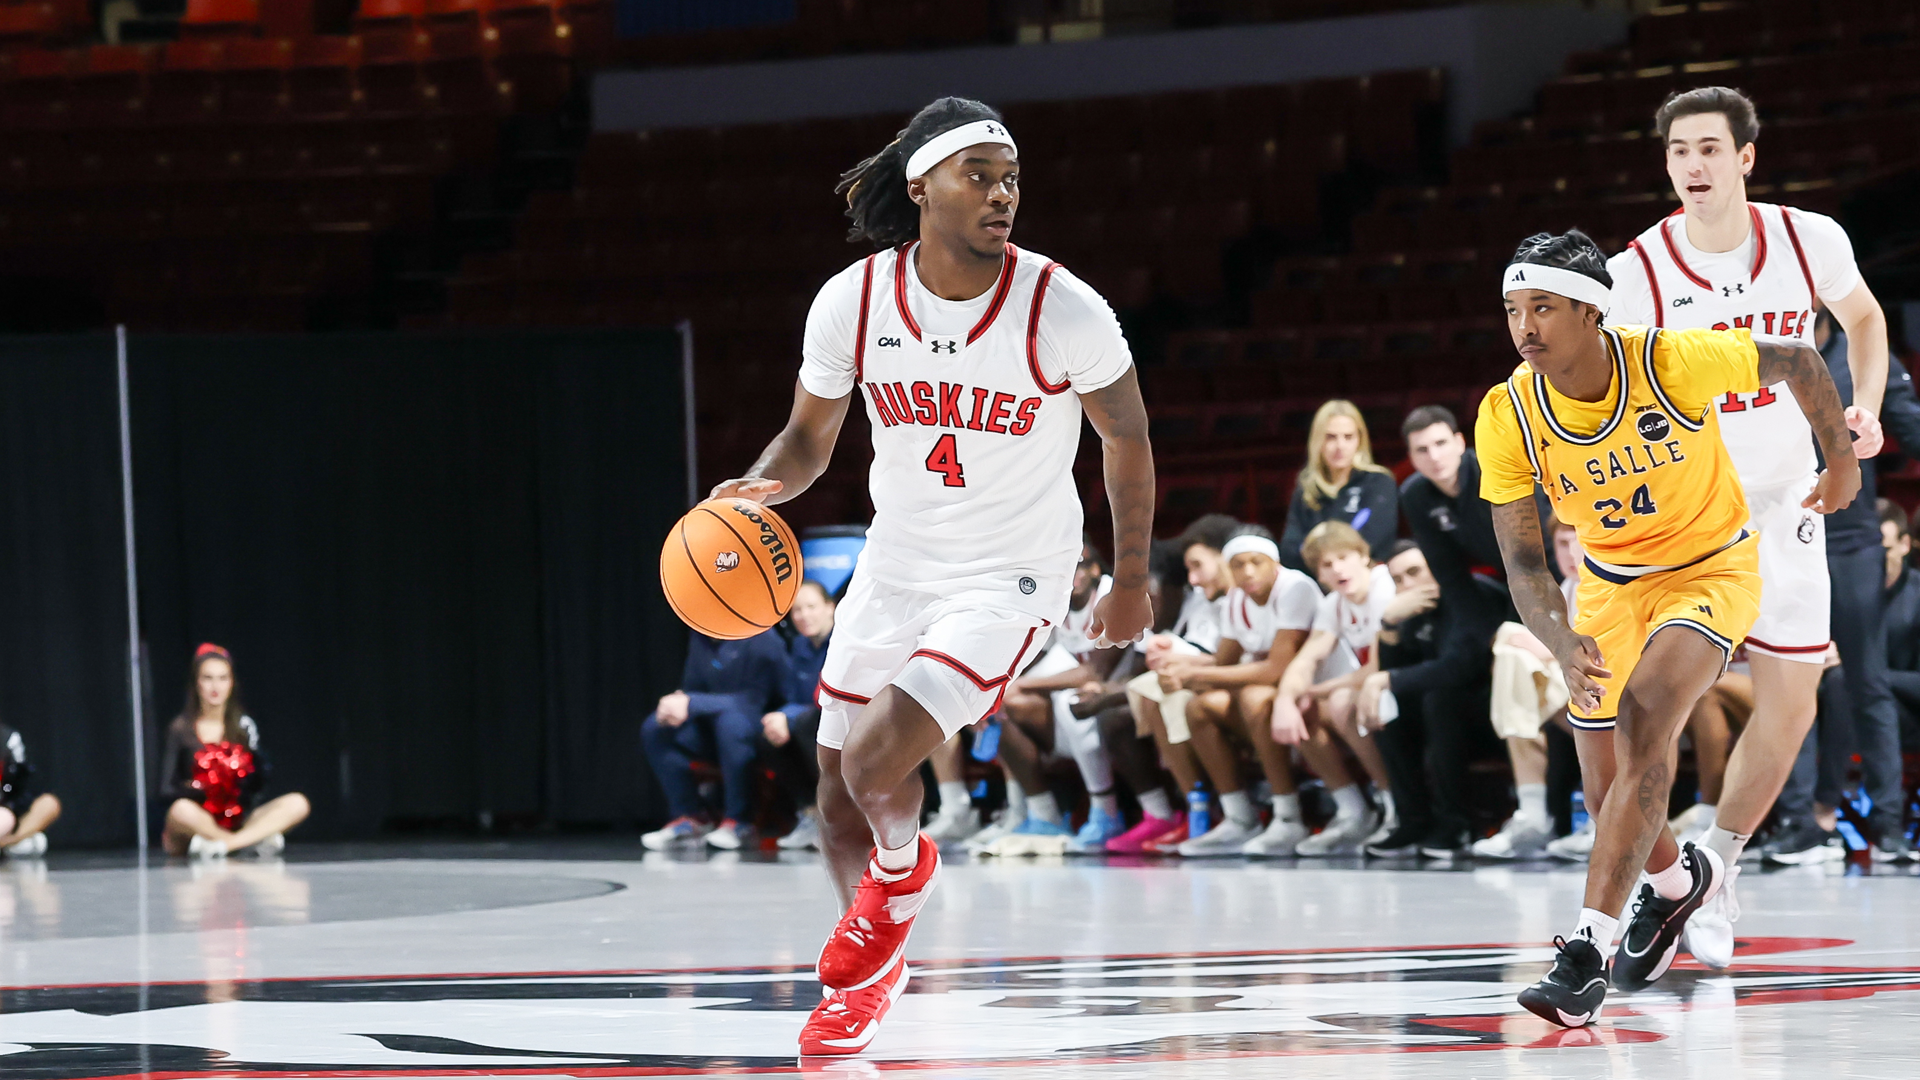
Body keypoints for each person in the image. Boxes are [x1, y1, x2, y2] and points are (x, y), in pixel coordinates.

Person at [707, 97, 1155, 1057]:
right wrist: (762, 488)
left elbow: (1127, 438)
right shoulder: (856, 299)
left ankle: (901, 878)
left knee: (874, 759)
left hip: (1011, 576)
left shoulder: (1060, 304)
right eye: (980, 177)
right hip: (899, 562)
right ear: (922, 187)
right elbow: (809, 437)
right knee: (832, 799)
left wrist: (1127, 578)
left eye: (1012, 180)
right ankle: (870, 977)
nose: (1003, 196)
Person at [1479, 229, 1856, 1026]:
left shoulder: (1667, 360)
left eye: (1543, 306)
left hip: (1711, 567)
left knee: (1646, 714)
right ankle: (1684, 885)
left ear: (1591, 312)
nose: (1525, 327)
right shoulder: (1508, 410)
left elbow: (1797, 360)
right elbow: (1523, 563)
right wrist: (1556, 635)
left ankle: (1584, 957)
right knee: (1604, 786)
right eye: (1514, 309)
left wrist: (1842, 461)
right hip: (1609, 588)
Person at [1604, 86, 1889, 960]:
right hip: (1687, 517)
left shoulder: (1810, 239)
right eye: (1678, 152)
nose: (1692, 165)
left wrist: (1865, 408)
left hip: (1786, 498)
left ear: (1745, 156)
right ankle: (1664, 884)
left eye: (1708, 149)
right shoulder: (1638, 271)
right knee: (1658, 709)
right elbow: (1616, 391)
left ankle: (1717, 870)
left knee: (1794, 702)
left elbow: (1866, 318)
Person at [1762, 309, 1920, 864]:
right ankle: (1800, 823)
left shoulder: (1863, 361)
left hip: (1851, 541)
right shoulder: (1762, 360)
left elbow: (1910, 424)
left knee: (1868, 682)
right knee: (1789, 683)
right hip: (1784, 535)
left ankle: (1891, 828)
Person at [1397, 403, 1566, 859]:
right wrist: (1497, 633)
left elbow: (1544, 554)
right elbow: (1451, 579)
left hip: (1554, 583)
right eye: (1421, 450)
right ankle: (1507, 816)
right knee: (1479, 672)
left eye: (1440, 443)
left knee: (1521, 666)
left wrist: (1547, 629)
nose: (1433, 456)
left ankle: (1551, 814)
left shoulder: (1497, 472)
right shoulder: (1416, 496)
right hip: (1496, 599)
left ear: (1459, 442)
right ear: (1411, 457)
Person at [1165, 528, 1325, 856]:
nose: (1247, 572)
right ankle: (1239, 818)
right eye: (1238, 564)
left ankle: (1288, 817)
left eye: (1256, 562)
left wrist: (1195, 672)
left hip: (1313, 689)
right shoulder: (1237, 597)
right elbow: (1226, 660)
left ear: (1275, 564)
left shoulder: (1294, 588)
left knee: (1252, 696)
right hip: (1272, 696)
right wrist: (1182, 671)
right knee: (1199, 706)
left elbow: (1276, 669)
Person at [1777, 498, 1920, 864]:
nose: (1875, 563)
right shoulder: (1835, 589)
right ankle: (1804, 818)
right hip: (1839, 708)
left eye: (1884, 549)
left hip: (1907, 712)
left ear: (1905, 545)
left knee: (1850, 683)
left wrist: (1870, 674)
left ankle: (1828, 809)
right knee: (1827, 684)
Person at [1358, 540, 1502, 859]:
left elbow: (1461, 667)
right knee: (1392, 712)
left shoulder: (1473, 593)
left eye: (1414, 573)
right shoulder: (1418, 609)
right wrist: (1389, 625)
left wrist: (1385, 680)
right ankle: (1412, 821)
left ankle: (1457, 824)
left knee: (1440, 699)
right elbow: (1401, 672)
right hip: (1449, 714)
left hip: (1502, 711)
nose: (1408, 586)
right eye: (1398, 580)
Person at [1111, 514, 1240, 853]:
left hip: (1247, 688)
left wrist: (1187, 666)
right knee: (1152, 692)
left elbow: (1240, 662)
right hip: (1225, 680)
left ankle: (1230, 814)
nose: (1194, 579)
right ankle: (1196, 811)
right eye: (1189, 570)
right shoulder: (1215, 599)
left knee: (1183, 701)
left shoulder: (1243, 598)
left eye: (1198, 567)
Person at [1270, 522, 1397, 854]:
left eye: (1343, 557)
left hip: (1409, 680)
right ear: (1319, 575)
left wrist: (1316, 690)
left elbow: (1378, 666)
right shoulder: (1335, 604)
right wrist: (1286, 698)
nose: (1338, 568)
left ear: (1363, 556)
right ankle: (1354, 811)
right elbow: (1306, 659)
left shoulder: (1386, 587)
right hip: (1375, 687)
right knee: (1303, 708)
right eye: (1327, 564)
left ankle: (1397, 804)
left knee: (1341, 702)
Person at [641, 628, 792, 852]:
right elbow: (693, 688)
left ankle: (739, 821)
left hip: (758, 728)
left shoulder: (762, 637)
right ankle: (691, 817)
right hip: (712, 730)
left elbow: (754, 699)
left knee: (731, 724)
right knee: (656, 727)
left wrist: (692, 702)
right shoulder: (699, 638)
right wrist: (679, 702)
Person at [161, 644, 312, 859]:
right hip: (200, 820)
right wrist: (205, 787)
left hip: (238, 818)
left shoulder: (243, 726)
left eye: (223, 679)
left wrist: (243, 782)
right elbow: (166, 789)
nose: (216, 687)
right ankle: (243, 842)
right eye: (208, 678)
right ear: (197, 683)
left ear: (232, 683)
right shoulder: (181, 728)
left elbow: (257, 785)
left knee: (298, 803)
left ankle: (228, 844)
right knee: (180, 810)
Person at [1278, 400, 1399, 573]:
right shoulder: (1306, 488)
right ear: (1317, 441)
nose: (1340, 446)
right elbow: (1289, 550)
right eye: (1330, 437)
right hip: (1317, 584)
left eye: (1348, 437)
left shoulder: (1379, 482)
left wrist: (1317, 545)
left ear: (1360, 440)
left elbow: (1373, 541)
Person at [765, 581, 837, 851]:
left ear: (831, 608)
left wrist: (790, 717)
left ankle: (836, 814)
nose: (803, 616)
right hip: (809, 716)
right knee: (768, 734)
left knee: (808, 726)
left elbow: (831, 698)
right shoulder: (798, 647)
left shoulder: (844, 642)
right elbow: (794, 698)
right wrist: (782, 716)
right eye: (796, 610)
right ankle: (810, 814)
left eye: (811, 607)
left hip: (845, 718)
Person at [0, 723, 60, 857]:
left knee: (49, 803)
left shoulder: (8, 739)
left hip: (6, 812)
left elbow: (21, 784)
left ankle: (8, 843)